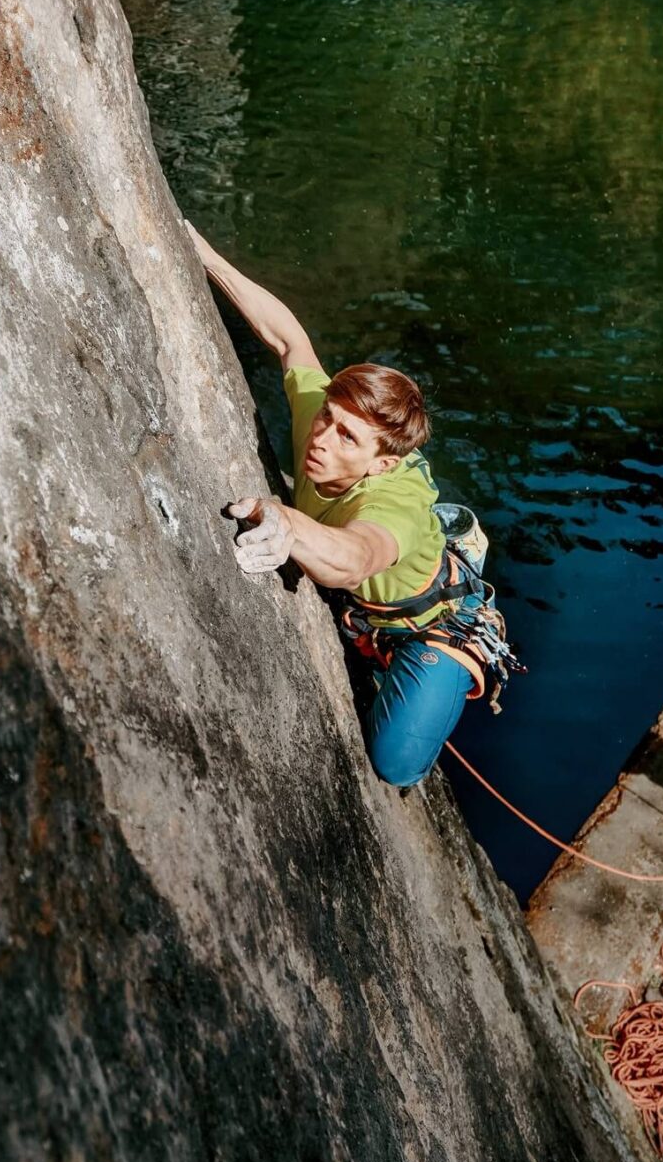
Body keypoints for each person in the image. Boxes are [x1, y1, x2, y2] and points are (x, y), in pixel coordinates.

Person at [186, 220, 511, 788]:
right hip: (379, 585)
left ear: (382, 463)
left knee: (397, 765)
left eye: (346, 438)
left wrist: (286, 521)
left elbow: (356, 559)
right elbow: (288, 338)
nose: (321, 438)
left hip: (426, 625)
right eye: (328, 420)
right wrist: (204, 254)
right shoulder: (325, 414)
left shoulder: (397, 502)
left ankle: (443, 669)